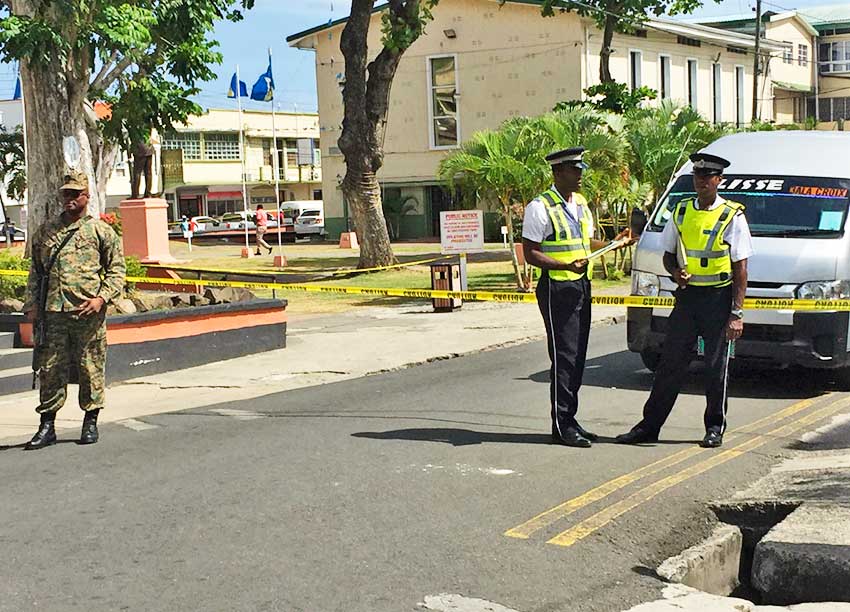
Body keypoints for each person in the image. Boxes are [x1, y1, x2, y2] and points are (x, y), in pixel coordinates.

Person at [616, 152, 752, 449]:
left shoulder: (732, 215)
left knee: (716, 368)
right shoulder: (680, 212)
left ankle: (714, 428)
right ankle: (649, 427)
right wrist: (675, 272)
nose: (701, 182)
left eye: (707, 177)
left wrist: (736, 312)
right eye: (697, 176)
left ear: (719, 180)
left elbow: (740, 267)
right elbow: (667, 255)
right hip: (687, 299)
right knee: (670, 365)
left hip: (718, 299)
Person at [522, 147, 632, 448]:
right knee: (564, 357)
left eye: (581, 168)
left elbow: (584, 242)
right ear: (558, 173)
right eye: (574, 169)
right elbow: (530, 253)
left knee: (579, 356)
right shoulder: (540, 207)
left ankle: (570, 419)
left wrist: (612, 244)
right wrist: (564, 265)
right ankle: (561, 425)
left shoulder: (581, 204)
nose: (581, 174)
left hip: (581, 286)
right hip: (557, 288)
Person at [22, 169, 126, 450]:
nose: (68, 198)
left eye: (74, 194)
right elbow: (36, 272)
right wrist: (32, 305)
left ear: (86, 196)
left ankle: (90, 421)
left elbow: (117, 271)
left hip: (87, 313)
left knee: (90, 367)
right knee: (50, 369)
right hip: (53, 313)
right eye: (65, 193)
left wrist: (101, 298)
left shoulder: (100, 231)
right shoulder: (46, 231)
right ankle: (47, 425)